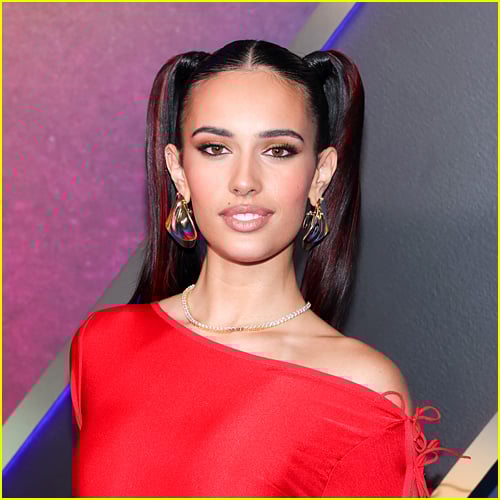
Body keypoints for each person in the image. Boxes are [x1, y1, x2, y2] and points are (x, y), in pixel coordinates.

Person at [70, 39, 470, 497]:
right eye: (215, 148)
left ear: (320, 174)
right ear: (178, 171)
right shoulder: (102, 344)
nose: (244, 181)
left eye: (278, 150)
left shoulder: (360, 388)